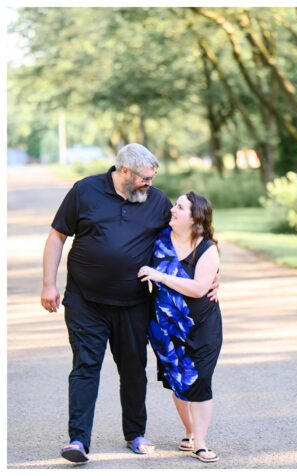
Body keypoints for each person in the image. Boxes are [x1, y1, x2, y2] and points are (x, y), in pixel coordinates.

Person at [42, 144, 217, 464]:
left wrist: (212, 275)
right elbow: (57, 236)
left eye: (152, 178)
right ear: (124, 172)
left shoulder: (156, 201)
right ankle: (78, 440)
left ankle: (135, 433)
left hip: (135, 302)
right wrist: (49, 283)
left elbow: (190, 236)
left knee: (134, 369)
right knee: (85, 366)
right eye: (146, 178)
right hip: (85, 301)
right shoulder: (85, 191)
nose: (150, 183)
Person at [138, 192, 223, 463]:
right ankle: (189, 432)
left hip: (202, 326)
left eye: (180, 207)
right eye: (175, 204)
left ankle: (201, 442)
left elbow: (199, 288)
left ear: (195, 218)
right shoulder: (158, 239)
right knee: (177, 379)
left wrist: (161, 275)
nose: (173, 209)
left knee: (200, 381)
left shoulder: (207, 248)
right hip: (165, 326)